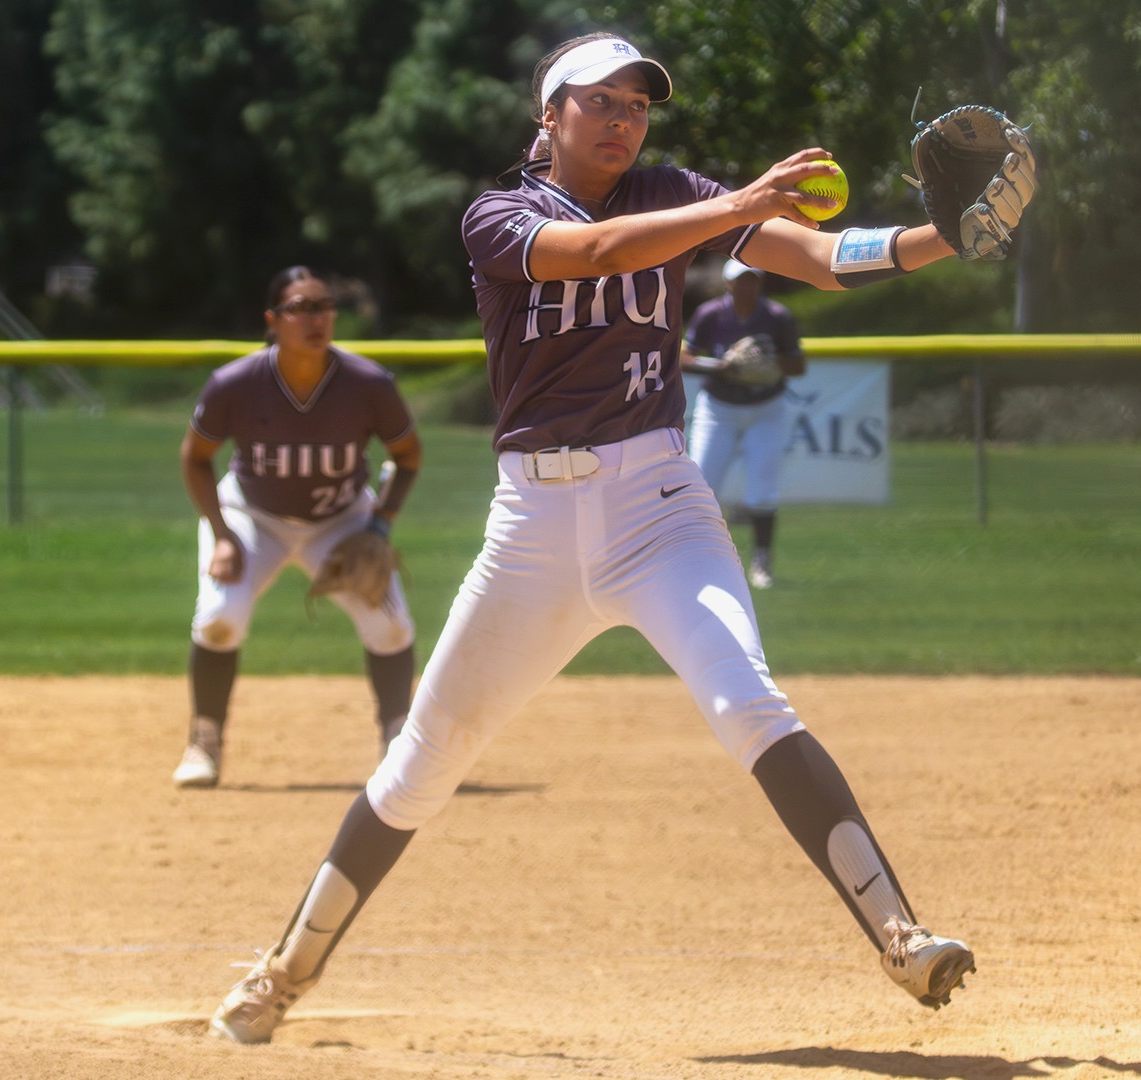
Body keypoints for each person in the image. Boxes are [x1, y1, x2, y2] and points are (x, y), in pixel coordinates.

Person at [207, 32, 992, 1042]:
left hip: (658, 507)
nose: (624, 120)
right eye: (601, 101)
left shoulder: (672, 186)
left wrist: (946, 232)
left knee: (747, 698)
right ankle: (282, 975)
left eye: (638, 105)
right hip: (533, 530)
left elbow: (830, 260)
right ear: (549, 112)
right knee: (423, 762)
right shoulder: (500, 213)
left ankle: (902, 936)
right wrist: (742, 204)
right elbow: (601, 253)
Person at [170, 266, 423, 789]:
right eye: (301, 308)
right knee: (220, 618)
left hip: (342, 519)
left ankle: (398, 746)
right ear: (273, 320)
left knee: (392, 627)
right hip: (252, 517)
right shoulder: (236, 383)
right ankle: (204, 742)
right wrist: (220, 532)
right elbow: (195, 459)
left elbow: (408, 457)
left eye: (324, 307)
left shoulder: (367, 384)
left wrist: (378, 527)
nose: (316, 318)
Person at [683, 258, 806, 588]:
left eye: (752, 279)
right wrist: (722, 366)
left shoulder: (777, 317)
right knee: (701, 486)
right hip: (719, 408)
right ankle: (696, 561)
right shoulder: (710, 314)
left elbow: (797, 366)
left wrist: (768, 362)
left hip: (765, 406)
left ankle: (762, 562)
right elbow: (683, 357)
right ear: (728, 284)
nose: (747, 286)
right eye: (741, 280)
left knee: (763, 489)